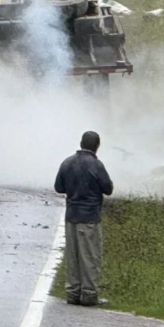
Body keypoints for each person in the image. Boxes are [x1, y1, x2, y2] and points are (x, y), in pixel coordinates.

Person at [54, 130, 114, 307]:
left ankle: (73, 292)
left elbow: (58, 187)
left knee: (73, 256)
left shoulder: (67, 162)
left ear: (81, 143)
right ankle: (88, 294)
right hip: (89, 218)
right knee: (90, 256)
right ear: (97, 146)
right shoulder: (96, 165)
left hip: (71, 216)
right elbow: (108, 189)